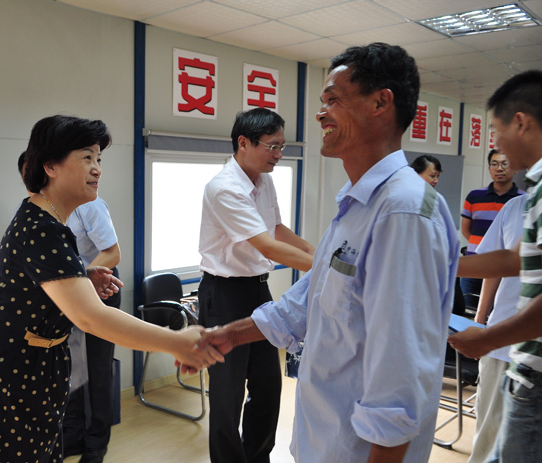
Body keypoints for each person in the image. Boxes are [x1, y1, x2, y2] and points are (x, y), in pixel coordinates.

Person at [194, 43, 459, 463]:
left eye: (333, 100)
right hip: (322, 435)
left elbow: (401, 372)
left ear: (380, 103)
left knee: (264, 390)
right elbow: (303, 302)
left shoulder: (403, 212)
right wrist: (228, 334)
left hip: (356, 449)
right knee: (228, 401)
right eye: (323, 102)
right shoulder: (357, 203)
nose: (320, 114)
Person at [0, 115, 223, 463]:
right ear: (50, 166)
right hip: (12, 378)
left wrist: (81, 275)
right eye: (86, 157)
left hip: (36, 371)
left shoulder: (50, 223)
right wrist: (175, 341)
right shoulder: (41, 228)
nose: (97, 168)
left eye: (99, 158)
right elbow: (91, 317)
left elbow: (46, 285)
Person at [198, 107, 315, 463]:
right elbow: (266, 246)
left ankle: (258, 457)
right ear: (243, 143)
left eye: (281, 147)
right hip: (224, 295)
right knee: (227, 395)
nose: (278, 155)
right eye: (272, 146)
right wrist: (328, 269)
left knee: (268, 386)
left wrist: (317, 252)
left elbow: (276, 229)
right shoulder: (224, 188)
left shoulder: (264, 180)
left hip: (258, 291)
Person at [448, 70, 542, 462]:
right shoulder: (531, 196)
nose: (495, 144)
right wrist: (439, 264)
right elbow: (513, 259)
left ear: (520, 122)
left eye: (495, 130)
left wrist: (488, 338)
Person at [466, 193, 527, 463]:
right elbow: (497, 266)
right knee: (488, 435)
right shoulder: (516, 207)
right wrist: (480, 321)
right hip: (500, 341)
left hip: (527, 345)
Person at [63, 197, 121, 463]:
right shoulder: (51, 207)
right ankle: (72, 434)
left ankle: (97, 442)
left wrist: (80, 278)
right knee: (72, 368)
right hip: (70, 293)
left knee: (98, 369)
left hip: (101, 289)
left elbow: (113, 253)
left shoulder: (90, 205)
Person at [459, 149, 523, 304]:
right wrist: (482, 247)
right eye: (494, 164)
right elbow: (466, 229)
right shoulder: (474, 196)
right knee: (466, 310)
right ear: (489, 168)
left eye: (504, 164)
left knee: (495, 310)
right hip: (473, 263)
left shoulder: (521, 200)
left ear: (515, 168)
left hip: (502, 270)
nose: (499, 168)